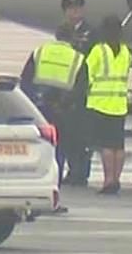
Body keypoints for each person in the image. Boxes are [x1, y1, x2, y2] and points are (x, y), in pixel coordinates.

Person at [19, 24, 87, 207]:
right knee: (58, 153)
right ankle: (53, 198)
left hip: (39, 109)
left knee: (37, 151)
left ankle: (31, 195)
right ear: (72, 38)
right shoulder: (78, 58)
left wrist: (33, 102)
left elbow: (25, 81)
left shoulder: (39, 52)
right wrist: (64, 104)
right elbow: (81, 89)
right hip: (62, 111)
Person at [85, 15, 132, 194]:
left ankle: (108, 180)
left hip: (101, 103)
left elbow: (88, 73)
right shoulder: (126, 52)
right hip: (119, 104)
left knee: (106, 146)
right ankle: (117, 179)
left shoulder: (99, 50)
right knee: (118, 146)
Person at [59, 0, 95, 185]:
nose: (74, 12)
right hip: (65, 87)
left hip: (83, 89)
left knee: (82, 135)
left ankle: (82, 172)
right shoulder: (62, 31)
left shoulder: (91, 32)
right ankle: (73, 170)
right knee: (68, 134)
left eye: (77, 8)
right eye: (71, 9)